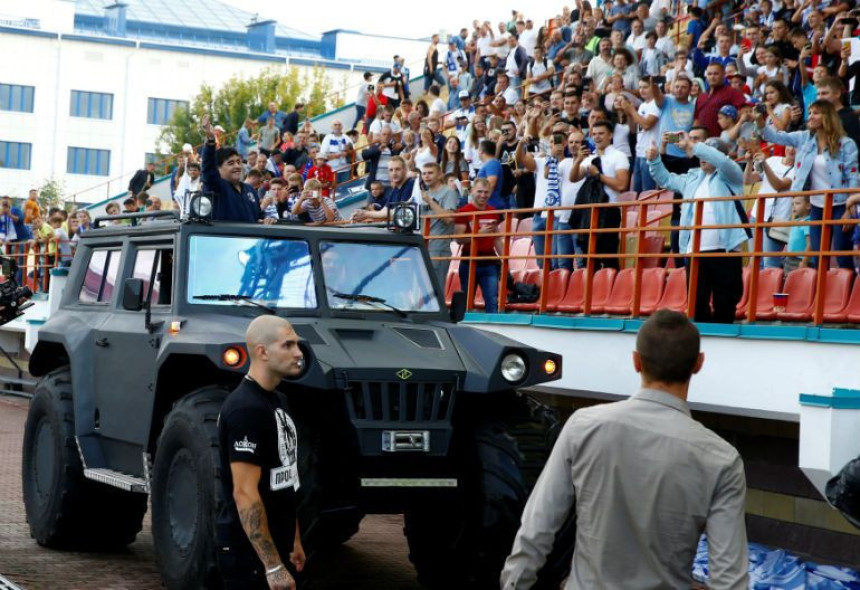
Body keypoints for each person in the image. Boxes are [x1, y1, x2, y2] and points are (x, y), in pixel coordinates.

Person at [501, 309, 749, 590]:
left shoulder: (583, 427)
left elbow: (538, 527)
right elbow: (730, 580)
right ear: (698, 364)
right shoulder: (722, 460)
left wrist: (514, 584)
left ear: (636, 361)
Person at [216, 315, 306, 590]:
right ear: (262, 352)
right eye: (288, 345)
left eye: (297, 345)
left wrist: (295, 540)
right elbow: (244, 493)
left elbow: (287, 477)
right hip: (249, 557)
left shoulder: (279, 401)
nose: (298, 353)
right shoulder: (246, 409)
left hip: (280, 547)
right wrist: (273, 566)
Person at [647, 133, 749, 324]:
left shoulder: (731, 174)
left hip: (725, 251)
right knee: (696, 304)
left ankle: (723, 344)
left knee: (725, 303)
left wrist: (694, 146)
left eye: (708, 153)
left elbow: (723, 161)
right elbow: (666, 179)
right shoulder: (692, 177)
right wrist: (654, 160)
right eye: (701, 154)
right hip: (696, 252)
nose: (702, 157)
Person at [757, 99, 859, 269]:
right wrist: (760, 121)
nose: (810, 117)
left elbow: (853, 176)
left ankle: (847, 293)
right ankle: (823, 292)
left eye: (816, 113)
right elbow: (774, 136)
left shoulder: (846, 144)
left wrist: (851, 207)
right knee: (818, 255)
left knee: (842, 255)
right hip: (816, 205)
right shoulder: (803, 138)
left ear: (828, 117)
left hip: (841, 204)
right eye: (810, 113)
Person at [200, 115, 269, 224]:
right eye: (230, 163)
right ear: (218, 169)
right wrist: (211, 140)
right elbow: (208, 170)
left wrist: (266, 220)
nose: (237, 166)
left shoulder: (250, 190)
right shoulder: (218, 187)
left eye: (238, 162)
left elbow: (258, 216)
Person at [454, 179, 503, 313]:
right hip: (469, 261)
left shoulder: (493, 211)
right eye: (479, 191)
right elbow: (458, 239)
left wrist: (505, 257)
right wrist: (477, 234)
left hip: (489, 261)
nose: (483, 195)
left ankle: (493, 329)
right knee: (466, 300)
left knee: (492, 300)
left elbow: (497, 238)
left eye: (486, 192)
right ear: (472, 191)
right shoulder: (464, 211)